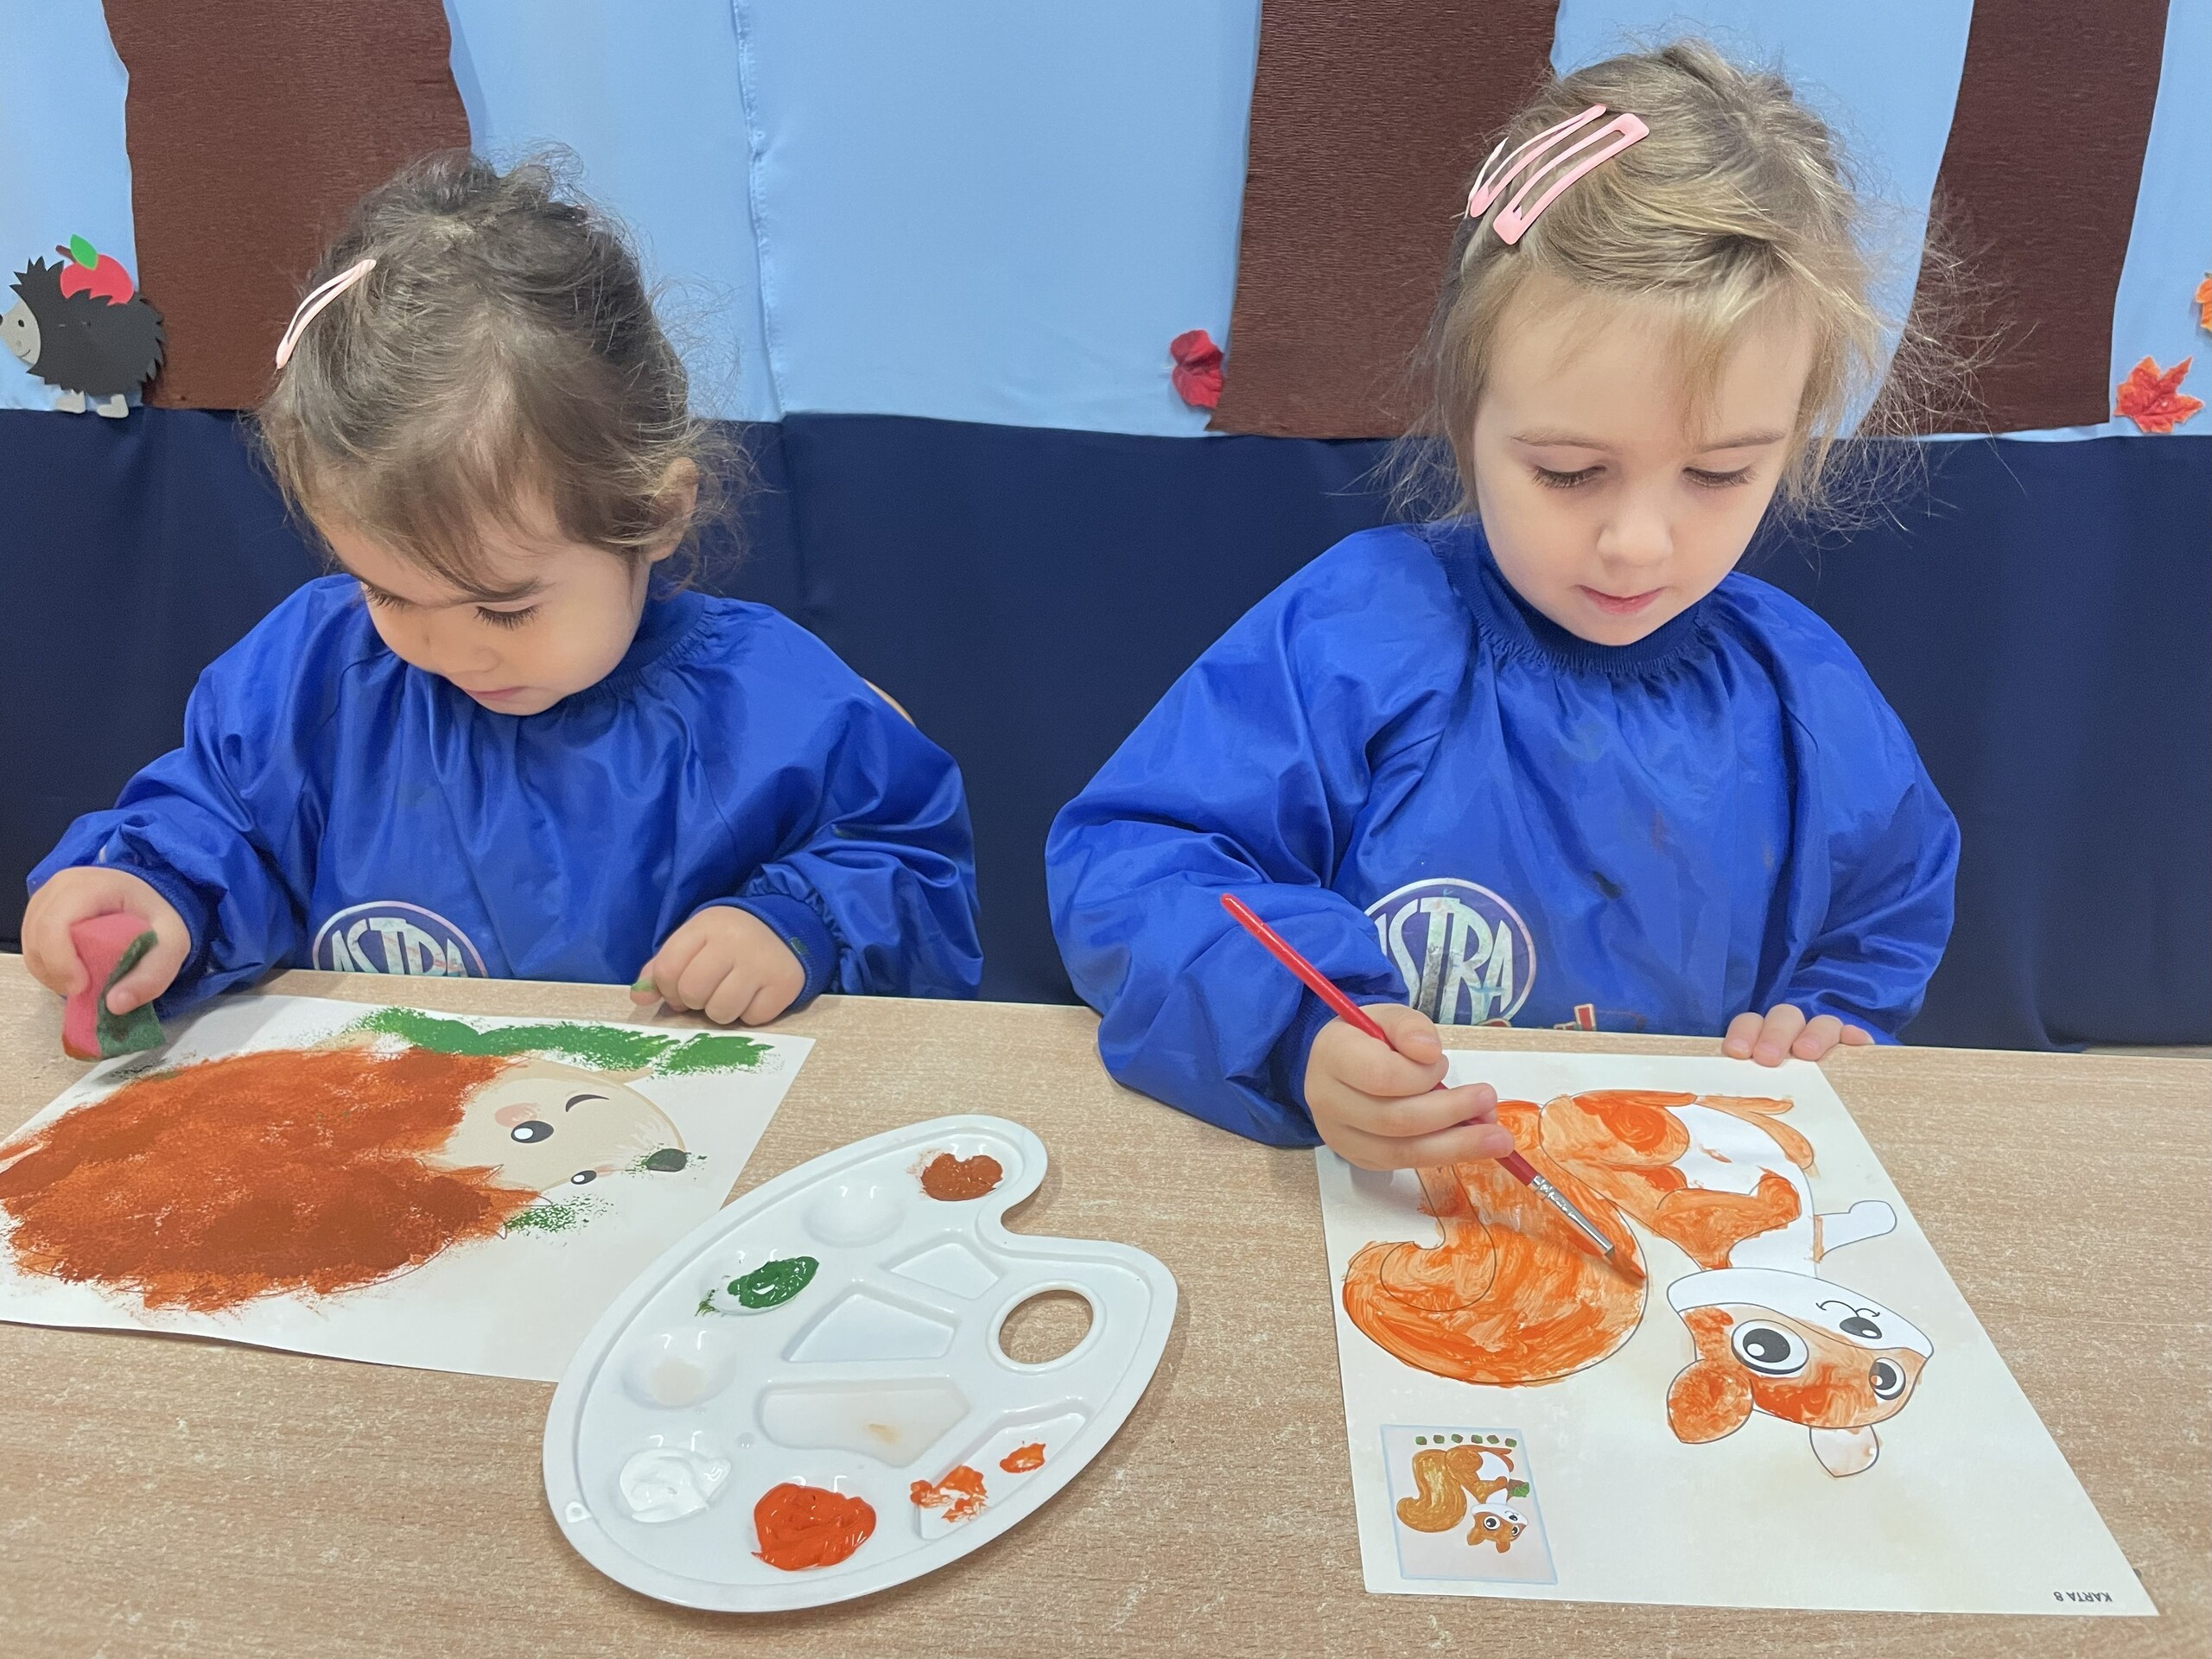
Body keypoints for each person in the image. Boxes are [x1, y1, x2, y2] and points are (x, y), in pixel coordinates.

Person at [1046, 43, 1960, 1166]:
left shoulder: (1803, 693)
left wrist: (1829, 1018)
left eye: (1720, 473)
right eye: (1569, 473)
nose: (1637, 542)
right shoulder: (1356, 636)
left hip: (1682, 1192)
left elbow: (1889, 905)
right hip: (1394, 1203)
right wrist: (1298, 1034)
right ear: (1465, 414)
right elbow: (1134, 866)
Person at [24, 155, 981, 1027]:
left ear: (653, 514)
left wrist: (795, 923)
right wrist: (152, 892)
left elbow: (905, 871)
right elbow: (220, 827)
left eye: (505, 606)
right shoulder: (309, 679)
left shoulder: (773, 712)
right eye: (388, 595)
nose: (451, 650)